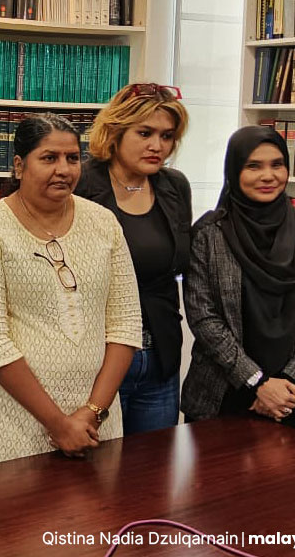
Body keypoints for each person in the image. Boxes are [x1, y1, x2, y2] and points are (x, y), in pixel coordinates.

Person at [0, 113, 141, 469]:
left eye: (72, 158)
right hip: (13, 418)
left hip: (95, 419)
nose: (63, 169)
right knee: (18, 506)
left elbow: (125, 325)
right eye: (49, 158)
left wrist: (92, 412)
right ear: (19, 166)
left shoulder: (104, 223)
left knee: (96, 505)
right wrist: (58, 424)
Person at [182, 125, 295, 434]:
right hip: (221, 399)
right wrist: (257, 382)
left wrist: (287, 384)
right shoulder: (209, 235)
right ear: (234, 171)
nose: (268, 176)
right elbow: (204, 318)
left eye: (277, 164)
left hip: (293, 400)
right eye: (253, 166)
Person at [76, 82, 191, 435]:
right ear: (116, 131)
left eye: (167, 136)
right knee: (94, 465)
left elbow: (179, 265)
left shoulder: (174, 186)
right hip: (96, 357)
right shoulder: (80, 182)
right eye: (145, 133)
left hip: (159, 357)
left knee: (153, 466)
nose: (157, 145)